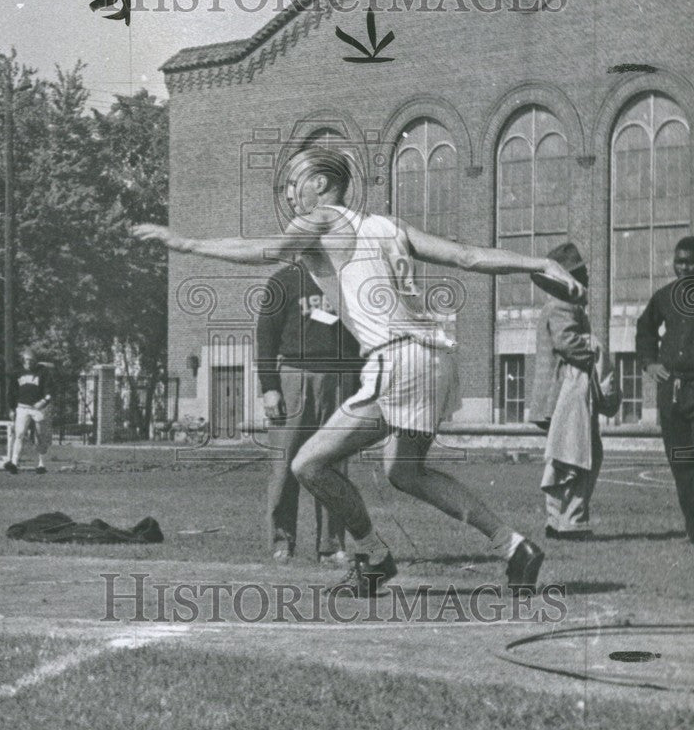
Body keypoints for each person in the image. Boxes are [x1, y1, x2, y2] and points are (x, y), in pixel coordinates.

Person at [133, 146, 585, 594]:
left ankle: (373, 557)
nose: (290, 195)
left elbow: (263, 250)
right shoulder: (389, 225)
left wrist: (187, 243)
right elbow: (466, 257)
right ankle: (515, 547)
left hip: (399, 359)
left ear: (322, 184)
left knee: (308, 463)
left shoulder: (324, 219)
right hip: (436, 357)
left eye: (295, 182)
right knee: (406, 473)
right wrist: (539, 262)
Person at [257, 258, 361, 563]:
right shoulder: (284, 280)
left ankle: (331, 545)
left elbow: (360, 336)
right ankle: (282, 542)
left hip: (340, 379)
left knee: (332, 465)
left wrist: (361, 384)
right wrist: (269, 387)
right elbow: (265, 336)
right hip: (294, 375)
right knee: (284, 464)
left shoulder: (348, 279)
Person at [529, 243, 619, 539]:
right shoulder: (563, 304)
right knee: (579, 456)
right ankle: (570, 521)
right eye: (581, 272)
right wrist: (594, 351)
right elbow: (567, 343)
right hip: (567, 393)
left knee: (565, 457)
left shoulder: (558, 303)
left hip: (562, 394)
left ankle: (559, 519)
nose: (587, 276)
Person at [636, 235, 694, 543]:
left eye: (691, 261)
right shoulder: (664, 296)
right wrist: (650, 363)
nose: (685, 267)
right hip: (672, 393)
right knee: (681, 464)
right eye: (680, 261)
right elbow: (645, 328)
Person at [3, 347, 53, 475]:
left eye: (31, 361)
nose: (28, 363)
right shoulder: (17, 373)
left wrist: (43, 401)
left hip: (38, 408)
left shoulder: (43, 372)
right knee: (19, 434)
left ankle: (41, 463)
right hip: (22, 407)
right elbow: (11, 392)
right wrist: (11, 408)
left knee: (40, 436)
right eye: (26, 360)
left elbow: (49, 390)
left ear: (35, 361)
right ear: (23, 360)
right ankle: (14, 463)